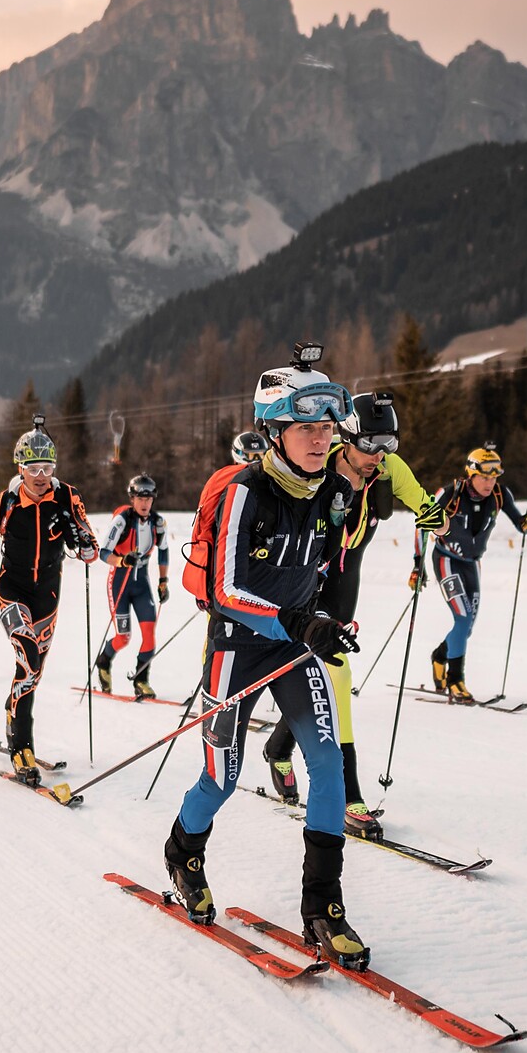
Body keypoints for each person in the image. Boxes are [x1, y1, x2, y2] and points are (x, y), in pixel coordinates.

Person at [163, 345, 368, 968]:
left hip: (298, 650)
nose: (319, 437)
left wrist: (326, 619)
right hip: (238, 649)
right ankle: (183, 853)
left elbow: (326, 566)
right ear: (274, 431)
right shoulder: (247, 493)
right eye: (306, 426)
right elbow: (224, 588)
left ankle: (322, 906)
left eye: (326, 426)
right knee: (221, 777)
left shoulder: (333, 489)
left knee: (328, 767)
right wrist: (297, 621)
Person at [260, 391, 445, 836]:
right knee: (333, 677)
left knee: (322, 674)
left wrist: (434, 520)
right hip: (302, 585)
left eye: (389, 447)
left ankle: (277, 747)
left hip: (343, 589)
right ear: (347, 436)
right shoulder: (318, 465)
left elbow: (429, 509)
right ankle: (349, 793)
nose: (378, 458)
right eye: (370, 447)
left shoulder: (388, 470)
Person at [0, 415, 96, 785]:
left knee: (33, 672)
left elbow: (89, 546)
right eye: (32, 467)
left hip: (48, 598)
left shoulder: (67, 497)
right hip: (13, 592)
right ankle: (20, 742)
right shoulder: (4, 503)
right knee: (29, 660)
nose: (41, 476)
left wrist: (84, 543)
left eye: (48, 467)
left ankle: (13, 712)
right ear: (19, 468)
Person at [415, 444, 527, 702]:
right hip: (447, 560)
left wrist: (525, 524)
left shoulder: (500, 495)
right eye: (484, 477)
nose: (490, 482)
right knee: (463, 617)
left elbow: (518, 520)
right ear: (471, 474)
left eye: (494, 477)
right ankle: (456, 681)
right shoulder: (450, 494)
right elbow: (423, 526)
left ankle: (439, 656)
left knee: (467, 626)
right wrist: (418, 565)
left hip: (472, 563)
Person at [93, 474, 170, 698]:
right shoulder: (122, 521)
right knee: (123, 637)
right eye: (140, 498)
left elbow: (164, 551)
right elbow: (103, 552)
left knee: (149, 633)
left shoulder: (158, 523)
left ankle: (141, 680)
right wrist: (122, 560)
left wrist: (163, 581)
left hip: (142, 583)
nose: (145, 503)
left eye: (148, 498)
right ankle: (104, 662)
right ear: (132, 499)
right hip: (120, 581)